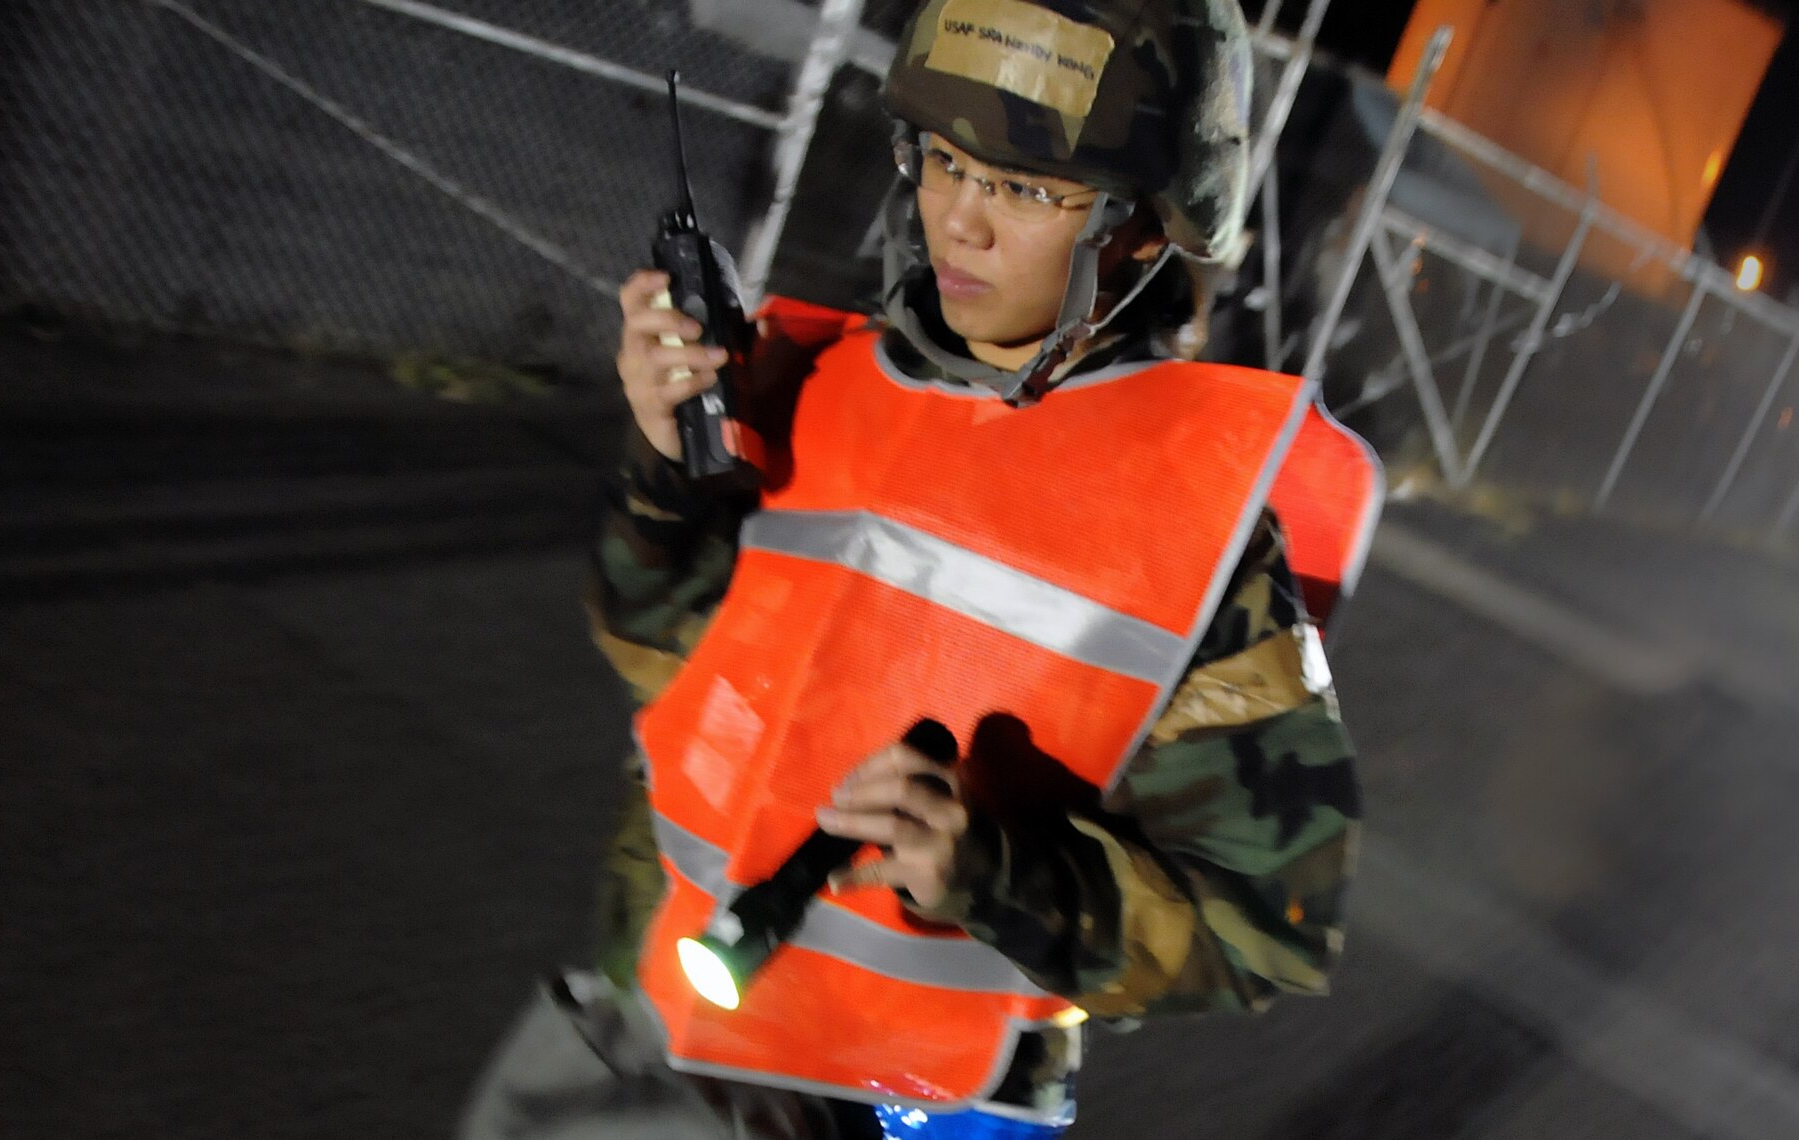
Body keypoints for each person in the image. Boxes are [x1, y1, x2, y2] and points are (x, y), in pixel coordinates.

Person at [463, 1, 1379, 1137]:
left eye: (1026, 189)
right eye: (944, 162)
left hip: (905, 1103)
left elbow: (1269, 926)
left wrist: (992, 873)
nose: (961, 222)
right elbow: (656, 651)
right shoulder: (814, 382)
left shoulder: (1196, 525)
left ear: (1144, 228)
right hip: (647, 1019)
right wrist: (667, 469)